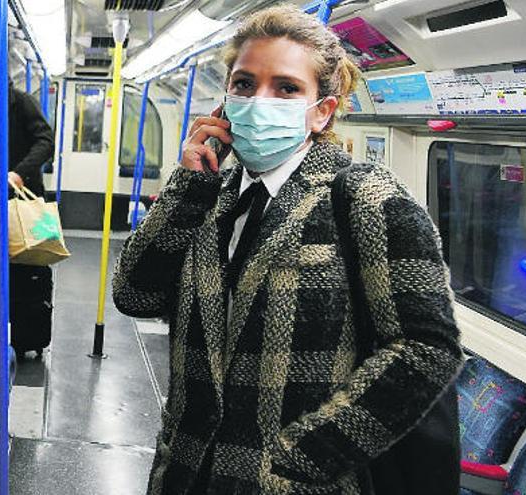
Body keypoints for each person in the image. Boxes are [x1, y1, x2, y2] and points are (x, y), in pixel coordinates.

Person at [112, 5, 462, 494]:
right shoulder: (213, 194)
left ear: (322, 110)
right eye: (244, 84)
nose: (259, 100)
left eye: (287, 88)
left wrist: (303, 460)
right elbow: (136, 296)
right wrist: (188, 187)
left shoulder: (366, 196)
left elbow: (428, 348)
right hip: (189, 472)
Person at [0, 50, 55, 340]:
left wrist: (19, 173)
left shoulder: (21, 103)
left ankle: (24, 336)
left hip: (20, 202)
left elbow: (46, 142)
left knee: (23, 271)